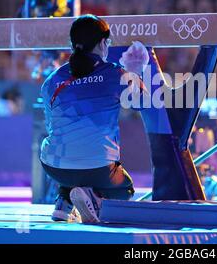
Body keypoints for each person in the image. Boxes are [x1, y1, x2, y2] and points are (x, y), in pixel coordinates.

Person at [40, 14, 148, 223]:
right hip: (100, 170)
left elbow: (51, 125)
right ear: (102, 43)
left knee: (70, 150)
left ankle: (64, 202)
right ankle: (94, 196)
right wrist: (136, 71)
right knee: (125, 190)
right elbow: (142, 103)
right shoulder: (116, 75)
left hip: (55, 168)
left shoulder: (52, 81)